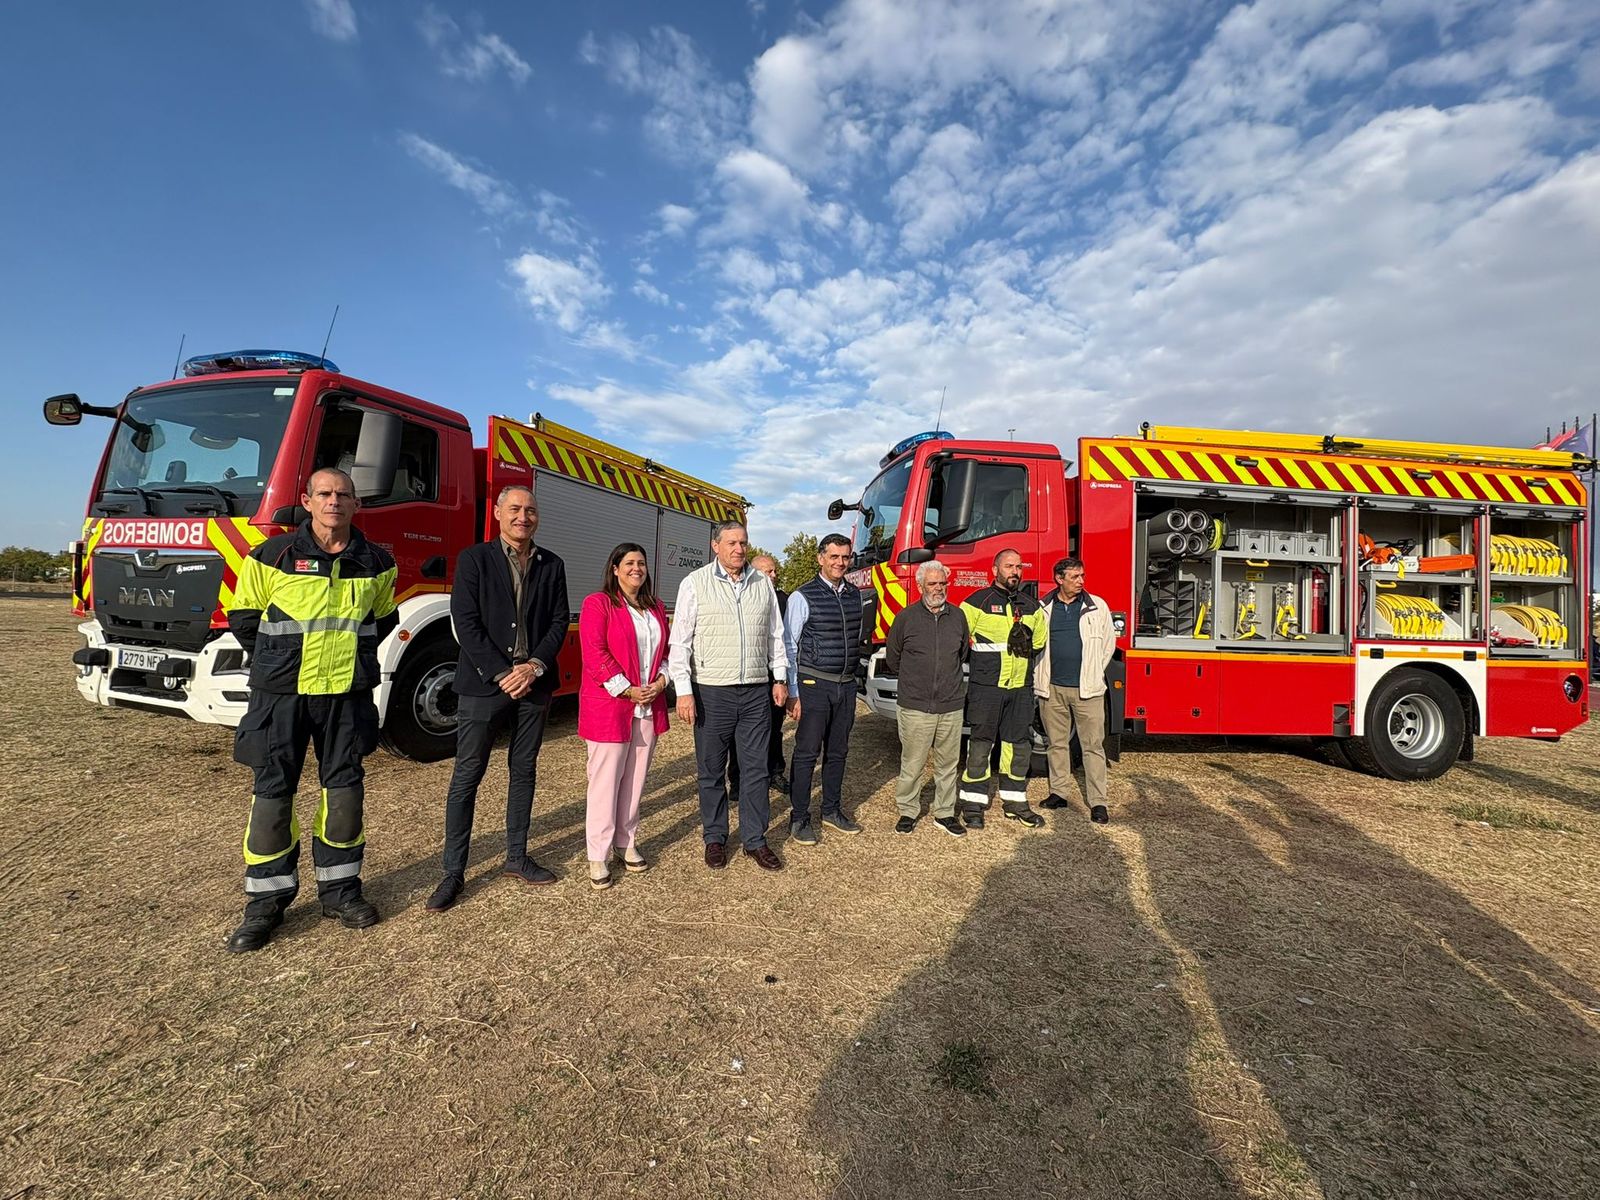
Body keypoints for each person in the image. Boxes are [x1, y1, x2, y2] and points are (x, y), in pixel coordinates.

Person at [222, 468, 397, 953]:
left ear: (356, 504)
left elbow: (383, 620)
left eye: (343, 494)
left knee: (344, 795)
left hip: (346, 695)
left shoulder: (377, 563)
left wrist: (350, 661)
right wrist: (281, 663)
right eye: (324, 494)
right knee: (272, 796)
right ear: (307, 501)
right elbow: (244, 618)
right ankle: (265, 903)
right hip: (281, 695)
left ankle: (341, 892)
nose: (333, 501)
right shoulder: (271, 556)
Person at [426, 486, 569, 912]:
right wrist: (502, 672)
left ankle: (517, 857)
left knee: (523, 770)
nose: (523, 517)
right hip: (485, 684)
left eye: (531, 510)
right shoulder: (475, 559)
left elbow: (559, 621)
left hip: (534, 684)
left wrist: (534, 666)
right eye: (515, 509)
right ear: (497, 513)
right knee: (467, 775)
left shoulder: (552, 564)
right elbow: (465, 621)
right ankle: (453, 871)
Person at [667, 521, 789, 872]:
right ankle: (715, 837)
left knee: (756, 770)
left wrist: (780, 677)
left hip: (755, 691)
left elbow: (775, 636)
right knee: (711, 771)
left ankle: (755, 840)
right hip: (711, 692)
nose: (739, 549)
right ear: (715, 546)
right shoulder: (695, 583)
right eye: (732, 543)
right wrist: (684, 691)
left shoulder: (762, 584)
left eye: (743, 543)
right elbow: (680, 642)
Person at [578, 543, 670, 889]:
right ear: (615, 569)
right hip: (611, 707)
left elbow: (667, 652)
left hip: (647, 705)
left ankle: (625, 841)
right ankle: (598, 854)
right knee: (605, 782)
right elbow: (595, 653)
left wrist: (661, 681)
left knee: (635, 781)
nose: (636, 568)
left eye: (641, 563)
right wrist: (627, 689)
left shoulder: (655, 607)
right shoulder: (598, 603)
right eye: (629, 563)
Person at [783, 534, 866, 844]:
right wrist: (793, 691)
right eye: (834, 556)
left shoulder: (855, 595)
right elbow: (789, 645)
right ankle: (799, 817)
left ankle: (831, 810)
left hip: (845, 685)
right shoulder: (802, 597)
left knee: (838, 751)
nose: (840, 563)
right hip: (813, 683)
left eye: (845, 557)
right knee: (807, 752)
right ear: (821, 558)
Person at [958, 548, 1048, 829]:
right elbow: (960, 642)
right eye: (1009, 566)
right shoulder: (976, 603)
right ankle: (973, 804)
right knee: (981, 745)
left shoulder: (1032, 607)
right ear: (995, 570)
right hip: (986, 687)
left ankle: (1015, 802)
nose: (1015, 572)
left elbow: (1039, 643)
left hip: (1020, 688)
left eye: (1019, 567)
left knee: (1018, 746)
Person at [884, 559, 969, 837]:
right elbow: (894, 658)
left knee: (948, 765)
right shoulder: (905, 618)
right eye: (932, 583)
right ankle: (908, 810)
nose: (938, 588)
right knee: (913, 763)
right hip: (915, 706)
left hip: (950, 705)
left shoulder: (958, 617)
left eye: (942, 583)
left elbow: (962, 655)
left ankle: (944, 813)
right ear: (920, 586)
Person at [1034, 557, 1117, 824]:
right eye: (1074, 577)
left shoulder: (1097, 606)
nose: (1081, 581)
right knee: (1056, 744)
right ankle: (1058, 793)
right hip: (1052, 689)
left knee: (1093, 747)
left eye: (1082, 576)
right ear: (1059, 579)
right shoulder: (1043, 607)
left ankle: (1098, 802)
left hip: (1087, 691)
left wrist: (1092, 672)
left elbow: (1108, 645)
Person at [728, 553, 790, 796]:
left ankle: (775, 772)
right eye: (768, 571)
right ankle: (737, 779)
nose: (774, 575)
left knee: (774, 728)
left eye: (775, 571)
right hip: (748, 676)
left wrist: (783, 679)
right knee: (739, 732)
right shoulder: (744, 597)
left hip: (775, 676)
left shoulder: (784, 599)